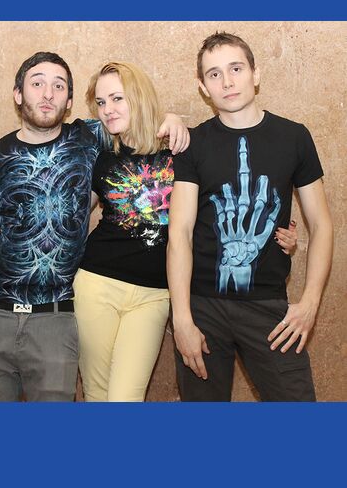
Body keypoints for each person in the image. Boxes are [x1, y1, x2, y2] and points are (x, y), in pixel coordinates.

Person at [0, 51, 188, 402]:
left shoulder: (89, 138)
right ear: (18, 94)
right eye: (37, 84)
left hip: (55, 318)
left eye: (58, 86)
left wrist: (172, 119)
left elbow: (137, 115)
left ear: (69, 101)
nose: (48, 94)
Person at [72, 61, 297, 402]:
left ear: (139, 97)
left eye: (117, 98)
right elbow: (73, 211)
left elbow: (223, 201)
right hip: (96, 283)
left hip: (154, 294)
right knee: (96, 392)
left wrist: (275, 234)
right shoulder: (101, 155)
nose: (108, 110)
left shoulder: (182, 146)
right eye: (101, 102)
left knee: (124, 398)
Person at [167, 32, 333, 402]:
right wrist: (182, 319)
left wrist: (310, 303)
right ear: (203, 87)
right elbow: (180, 232)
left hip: (268, 307)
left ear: (255, 74)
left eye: (236, 69)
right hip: (203, 308)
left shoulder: (294, 137)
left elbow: (322, 225)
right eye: (214, 74)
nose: (227, 81)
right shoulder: (193, 144)